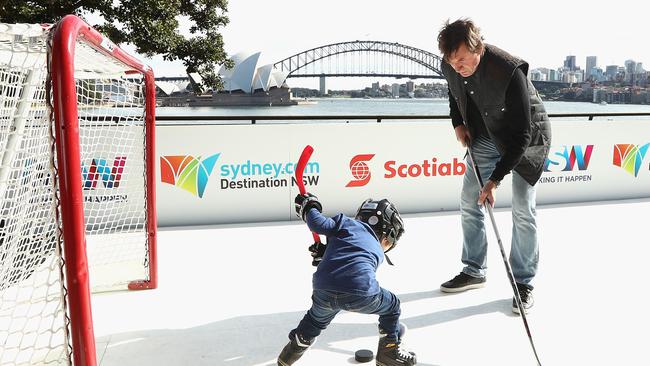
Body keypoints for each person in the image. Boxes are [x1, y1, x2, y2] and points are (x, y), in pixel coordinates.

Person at [436, 18, 552, 314]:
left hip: (526, 141)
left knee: (523, 209)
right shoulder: (450, 65)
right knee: (469, 199)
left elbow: (523, 136)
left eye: (462, 60)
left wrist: (495, 180)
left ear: (479, 48)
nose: (457, 67)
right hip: (486, 134)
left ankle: (523, 283)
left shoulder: (508, 70)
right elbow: (453, 90)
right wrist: (458, 122)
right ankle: (474, 270)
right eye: (452, 61)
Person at [277, 194, 416, 366]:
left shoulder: (345, 224)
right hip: (361, 292)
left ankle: (290, 353)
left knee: (314, 320)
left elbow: (318, 225)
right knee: (392, 306)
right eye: (389, 242)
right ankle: (389, 350)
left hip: (324, 290)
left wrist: (309, 208)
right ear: (388, 234)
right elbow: (354, 264)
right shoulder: (371, 240)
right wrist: (311, 206)